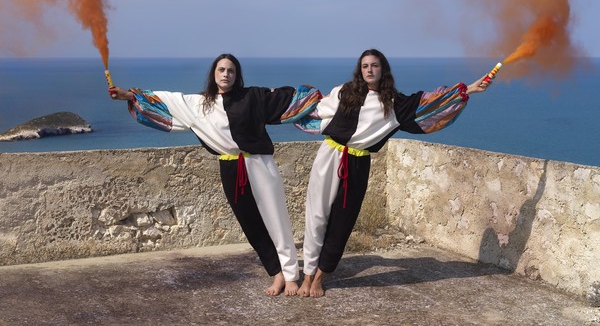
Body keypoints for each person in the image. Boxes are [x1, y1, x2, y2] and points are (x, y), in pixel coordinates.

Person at [109, 54, 320, 296]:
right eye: (221, 69)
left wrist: (311, 96)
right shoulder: (199, 104)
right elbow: (166, 101)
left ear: (236, 75)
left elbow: (284, 98)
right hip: (230, 167)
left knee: (276, 220)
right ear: (214, 74)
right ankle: (276, 273)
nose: (225, 74)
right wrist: (129, 95)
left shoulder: (253, 96)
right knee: (250, 224)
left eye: (231, 70)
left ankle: (292, 275)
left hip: (259, 163)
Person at [297, 49, 491, 298]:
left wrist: (469, 90)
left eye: (374, 65)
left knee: (343, 222)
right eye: (365, 65)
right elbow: (318, 109)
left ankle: (320, 277)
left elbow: (428, 103)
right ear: (360, 70)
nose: (369, 69)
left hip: (358, 163)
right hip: (329, 155)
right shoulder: (344, 91)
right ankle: (307, 276)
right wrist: (286, 104)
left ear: (382, 69)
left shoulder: (393, 104)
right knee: (316, 217)